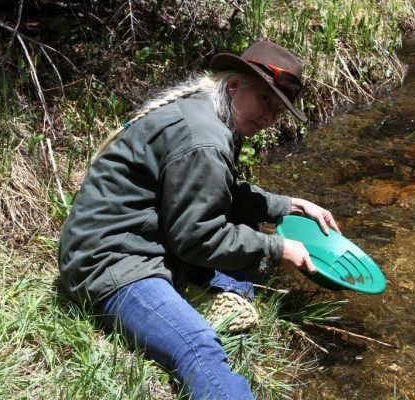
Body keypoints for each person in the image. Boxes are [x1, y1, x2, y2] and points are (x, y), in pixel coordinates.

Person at [59, 40, 339, 399]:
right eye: (265, 100)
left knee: (244, 236)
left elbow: (218, 194)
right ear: (235, 86)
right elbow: (195, 238)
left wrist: (292, 206)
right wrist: (278, 247)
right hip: (109, 267)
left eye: (279, 110)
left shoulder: (203, 109)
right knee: (198, 348)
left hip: (124, 242)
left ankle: (210, 293)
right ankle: (207, 307)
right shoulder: (205, 139)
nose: (270, 117)